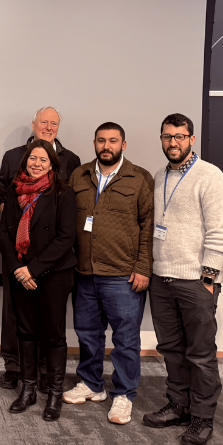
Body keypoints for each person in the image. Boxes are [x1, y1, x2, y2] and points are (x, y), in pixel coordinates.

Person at [141, 113, 223, 445]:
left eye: (180, 136)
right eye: (167, 137)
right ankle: (178, 405)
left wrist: (209, 276)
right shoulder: (158, 176)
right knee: (171, 349)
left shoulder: (211, 177)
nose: (173, 142)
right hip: (162, 278)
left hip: (196, 280)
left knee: (200, 353)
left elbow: (221, 231)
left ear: (191, 139)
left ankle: (202, 417)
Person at [66, 122, 154, 425]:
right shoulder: (79, 175)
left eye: (113, 141)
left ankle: (124, 394)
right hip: (85, 272)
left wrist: (143, 267)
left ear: (123, 145)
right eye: (101, 141)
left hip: (123, 275)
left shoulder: (140, 178)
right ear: (94, 143)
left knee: (126, 339)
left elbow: (148, 227)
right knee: (87, 334)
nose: (107, 146)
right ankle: (91, 384)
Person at [0, 106, 80, 390]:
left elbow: (68, 215)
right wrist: (19, 224)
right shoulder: (13, 157)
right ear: (33, 124)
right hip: (19, 256)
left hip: (51, 261)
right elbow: (1, 197)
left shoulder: (71, 160)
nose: (48, 126)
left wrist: (37, 261)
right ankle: (14, 367)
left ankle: (45, 373)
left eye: (53, 123)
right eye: (43, 121)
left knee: (51, 321)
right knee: (15, 316)